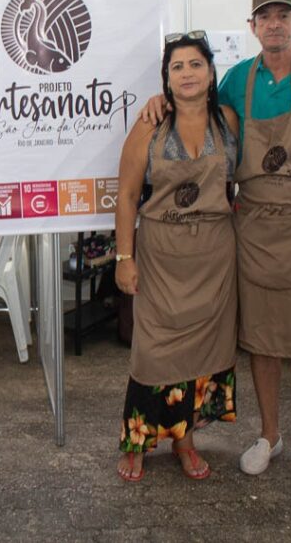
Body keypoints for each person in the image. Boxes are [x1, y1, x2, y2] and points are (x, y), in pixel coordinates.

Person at [140, 0, 291, 492]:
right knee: (263, 339)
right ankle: (269, 436)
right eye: (265, 17)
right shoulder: (238, 80)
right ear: (253, 27)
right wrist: (160, 99)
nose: (275, 24)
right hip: (255, 229)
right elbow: (193, 111)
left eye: (285, 15)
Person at [114, 32, 239, 483]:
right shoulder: (150, 123)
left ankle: (186, 441)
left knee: (203, 354)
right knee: (152, 353)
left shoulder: (227, 120)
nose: (187, 73)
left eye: (195, 65)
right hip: (161, 254)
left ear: (210, 72)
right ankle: (138, 442)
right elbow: (127, 195)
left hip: (214, 256)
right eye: (177, 67)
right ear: (166, 78)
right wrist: (124, 257)